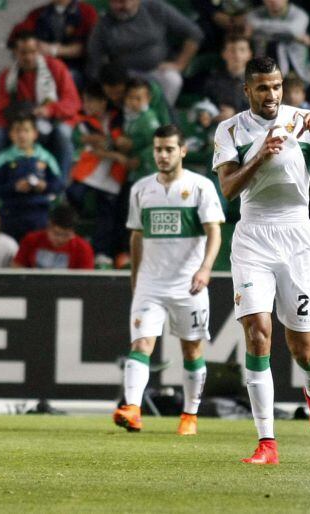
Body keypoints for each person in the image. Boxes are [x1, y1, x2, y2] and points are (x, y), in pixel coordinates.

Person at [214, 56, 310, 464]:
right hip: (253, 235)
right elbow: (227, 189)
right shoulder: (230, 130)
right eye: (262, 88)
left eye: (276, 87)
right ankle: (267, 442)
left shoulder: (303, 121)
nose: (271, 95)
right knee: (258, 332)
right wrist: (259, 156)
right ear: (247, 91)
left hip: (297, 236)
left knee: (302, 346)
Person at [113, 124, 225, 436]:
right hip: (151, 282)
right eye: (158, 149)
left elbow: (214, 232)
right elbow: (136, 235)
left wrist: (205, 269)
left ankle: (190, 415)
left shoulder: (201, 187)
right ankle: (132, 409)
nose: (162, 155)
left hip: (188, 283)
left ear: (183, 151)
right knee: (141, 343)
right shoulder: (141, 189)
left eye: (169, 149)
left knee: (191, 350)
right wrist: (136, 276)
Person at [0, 31, 81, 178]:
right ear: (15, 52)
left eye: (33, 52)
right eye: (23, 53)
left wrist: (49, 110)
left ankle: (61, 184)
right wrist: (17, 124)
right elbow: (0, 111)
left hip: (55, 120)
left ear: (39, 50)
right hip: (22, 123)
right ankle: (4, 182)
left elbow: (72, 102)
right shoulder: (8, 76)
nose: (28, 57)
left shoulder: (56, 67)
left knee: (63, 134)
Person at [86, 0, 204, 106]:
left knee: (172, 79)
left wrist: (180, 64)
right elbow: (95, 55)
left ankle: (161, 118)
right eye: (114, 2)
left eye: (122, 2)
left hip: (157, 69)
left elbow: (194, 33)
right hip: (126, 74)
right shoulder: (105, 22)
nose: (117, 6)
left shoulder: (155, 8)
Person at [66, 84, 128, 267]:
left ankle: (102, 252)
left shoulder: (117, 118)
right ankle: (74, 241)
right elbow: (84, 140)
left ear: (103, 102)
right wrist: (114, 152)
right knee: (73, 194)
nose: (86, 105)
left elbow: (115, 143)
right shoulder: (83, 121)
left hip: (112, 175)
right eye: (84, 101)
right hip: (88, 171)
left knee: (107, 211)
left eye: (90, 101)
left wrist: (110, 147)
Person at [0, 113, 64, 243]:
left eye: (26, 130)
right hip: (11, 214)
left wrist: (44, 186)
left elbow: (59, 185)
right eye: (18, 131)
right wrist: (15, 187)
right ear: (11, 134)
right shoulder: (4, 159)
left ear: (35, 133)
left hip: (40, 214)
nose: (22, 135)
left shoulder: (46, 158)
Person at [8, 0, 99, 88]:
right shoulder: (37, 14)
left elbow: (90, 47)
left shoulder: (87, 12)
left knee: (67, 78)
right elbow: (15, 37)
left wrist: (54, 50)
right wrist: (32, 46)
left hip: (76, 68)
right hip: (42, 67)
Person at [247, 0, 310, 83]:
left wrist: (260, 32)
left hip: (297, 74)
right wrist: (293, 37)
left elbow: (293, 30)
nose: (273, 1)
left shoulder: (300, 14)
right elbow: (253, 24)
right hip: (262, 73)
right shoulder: (254, 14)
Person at [13, 204, 94, 269]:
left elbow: (85, 282)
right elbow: (17, 267)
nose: (60, 239)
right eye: (56, 233)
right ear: (48, 226)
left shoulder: (83, 248)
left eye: (67, 235)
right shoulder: (31, 239)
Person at [120, 78, 162, 182]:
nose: (133, 102)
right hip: (134, 168)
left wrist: (140, 158)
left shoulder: (148, 119)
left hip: (148, 167)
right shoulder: (128, 116)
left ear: (148, 99)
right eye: (130, 97)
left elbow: (158, 142)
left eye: (138, 99)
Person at [202, 34, 253, 120]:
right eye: (232, 50)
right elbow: (207, 101)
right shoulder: (214, 80)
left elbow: (263, 113)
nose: (237, 55)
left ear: (249, 54)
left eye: (242, 50)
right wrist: (206, 113)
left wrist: (235, 114)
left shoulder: (259, 82)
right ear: (224, 54)